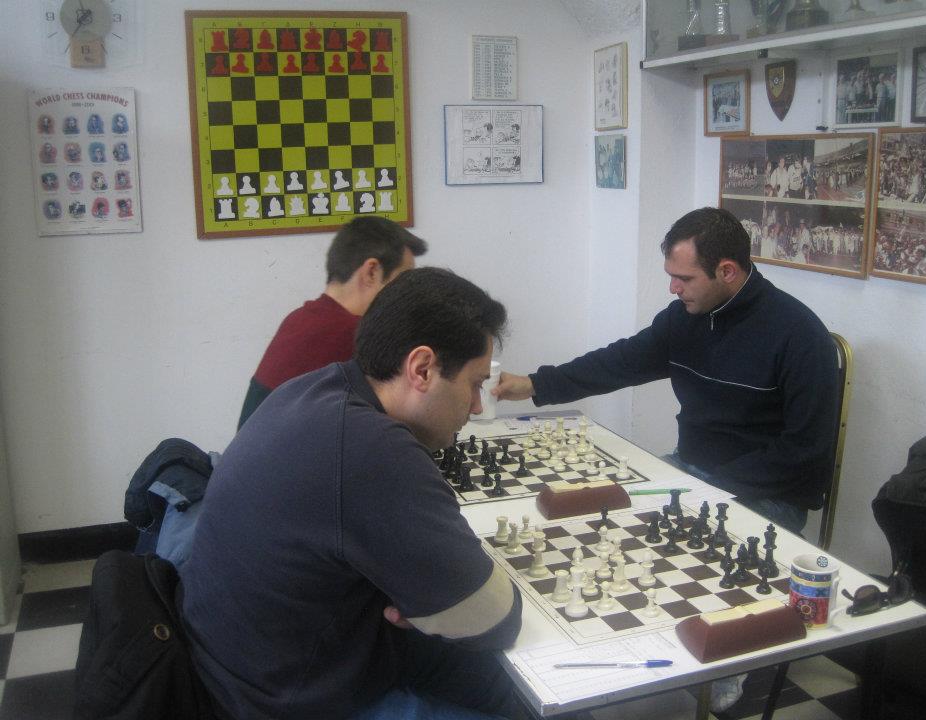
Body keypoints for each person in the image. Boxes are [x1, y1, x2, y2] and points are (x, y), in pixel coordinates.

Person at [180, 267, 524, 720]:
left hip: (230, 666)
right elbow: (495, 619)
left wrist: (427, 601)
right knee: (512, 685)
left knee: (488, 679)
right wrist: (438, 600)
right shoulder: (373, 448)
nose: (477, 406)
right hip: (281, 701)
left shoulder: (314, 389)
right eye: (474, 384)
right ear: (422, 369)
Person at [493, 207, 838, 536]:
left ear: (727, 271)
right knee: (593, 522)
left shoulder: (800, 336)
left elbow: (805, 451)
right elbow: (619, 362)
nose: (673, 288)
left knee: (649, 543)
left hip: (768, 495)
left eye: (684, 278)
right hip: (689, 471)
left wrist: (708, 487)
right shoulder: (683, 318)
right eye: (671, 276)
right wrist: (534, 384)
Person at [238, 216, 427, 428]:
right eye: (402, 280)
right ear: (372, 272)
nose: (406, 294)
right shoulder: (355, 334)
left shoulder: (299, 318)